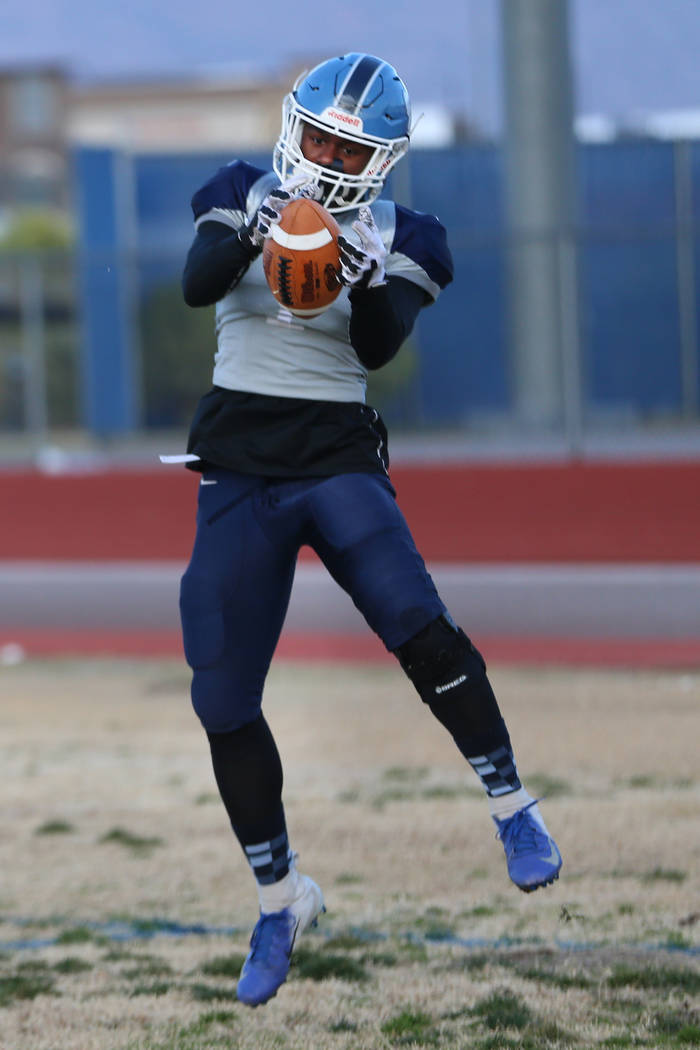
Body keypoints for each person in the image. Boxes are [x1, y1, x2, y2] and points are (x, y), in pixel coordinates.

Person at [179, 52, 562, 1008]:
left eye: (342, 145)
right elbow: (197, 282)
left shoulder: (407, 231)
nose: (319, 156)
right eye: (313, 135)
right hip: (238, 461)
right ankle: (281, 899)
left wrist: (348, 271)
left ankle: (512, 805)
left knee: (413, 619)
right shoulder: (240, 187)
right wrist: (262, 233)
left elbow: (378, 343)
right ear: (289, 125)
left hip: (337, 456)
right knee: (220, 693)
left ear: (379, 158)